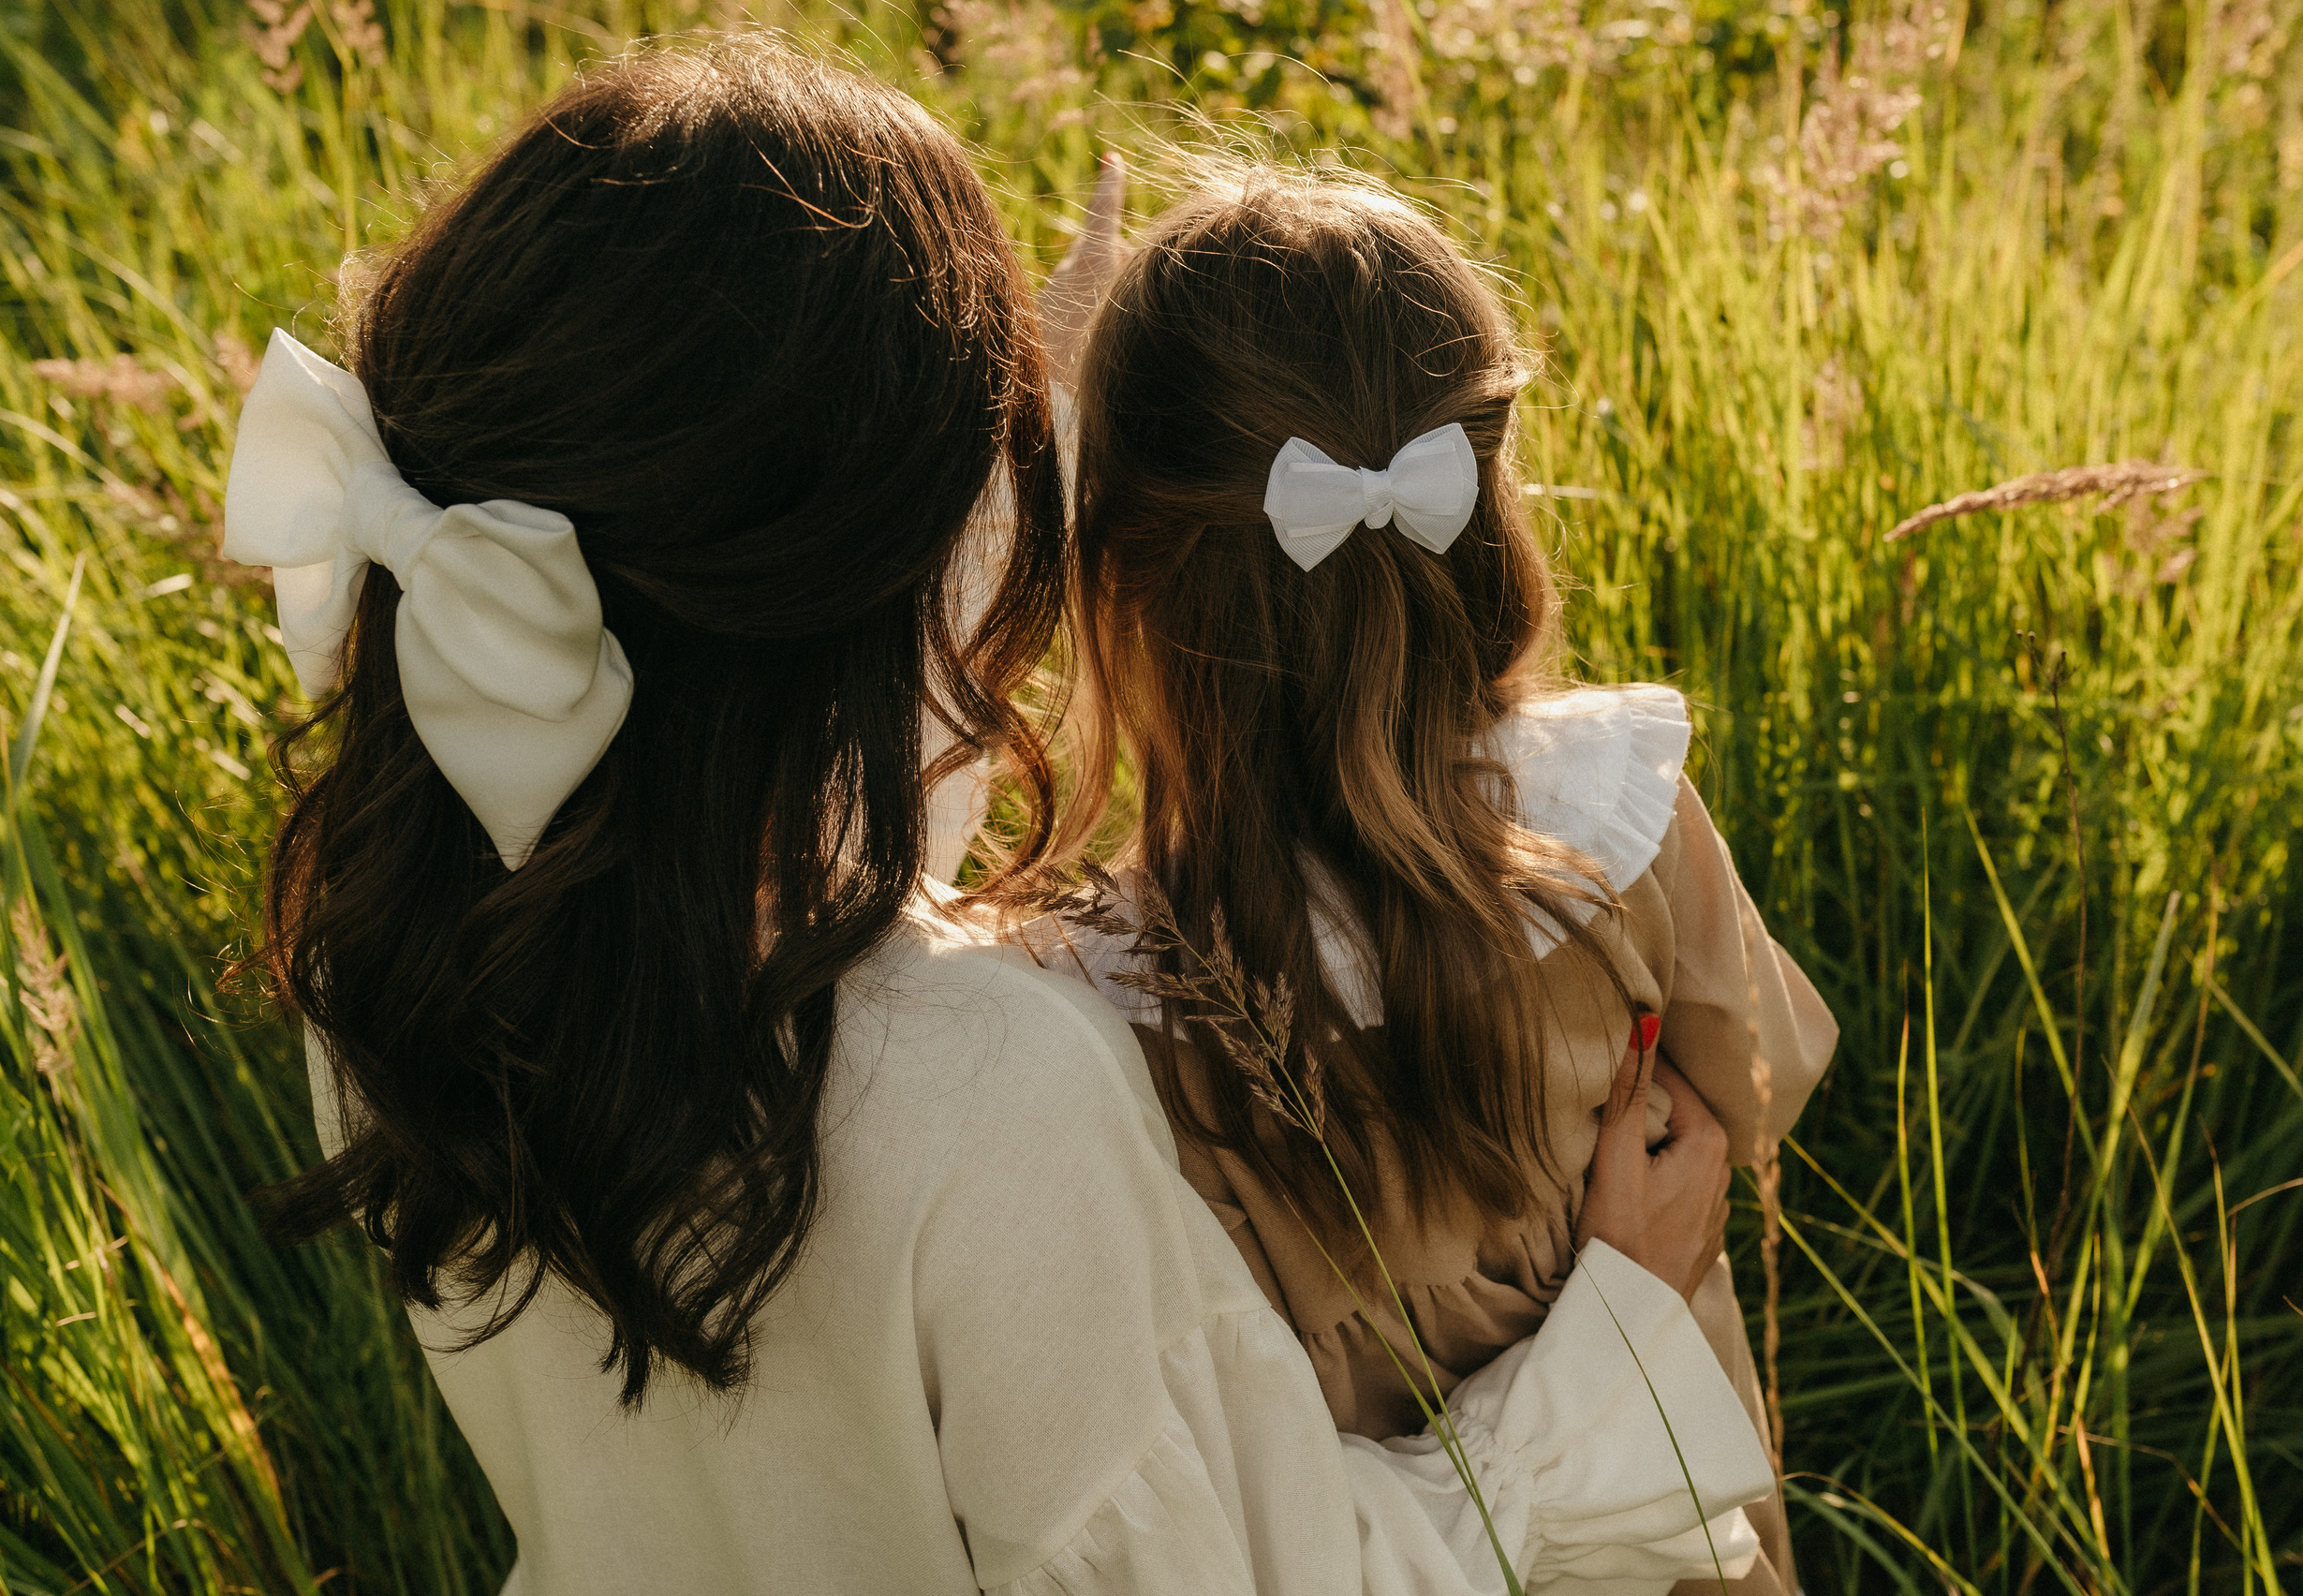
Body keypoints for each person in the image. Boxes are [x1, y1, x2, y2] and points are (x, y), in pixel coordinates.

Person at [225, 43, 1780, 1594]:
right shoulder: (998, 1093)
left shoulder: (401, 948)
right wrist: (1623, 1342)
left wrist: (1046, 436)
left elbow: (759, 761)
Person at [1026, 164, 1838, 1594]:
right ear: (1482, 496)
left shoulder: (1110, 1000)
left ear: (1119, 580)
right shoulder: (1616, 824)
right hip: (1667, 1514)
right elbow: (1760, 1086)